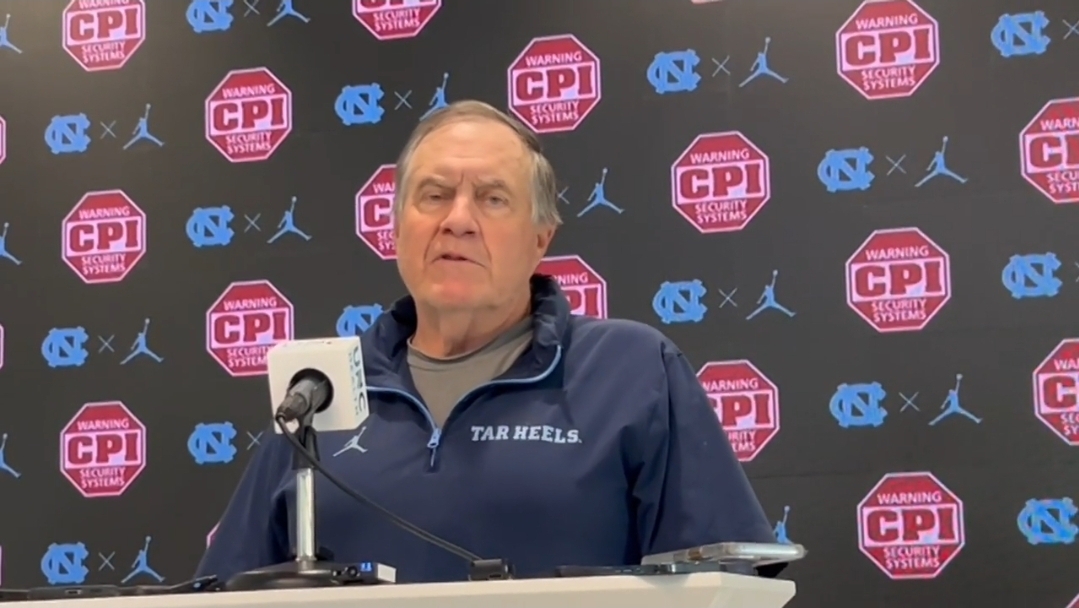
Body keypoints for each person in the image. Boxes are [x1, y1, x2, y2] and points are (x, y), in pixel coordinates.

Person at [196, 100, 777, 584]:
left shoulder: (633, 370)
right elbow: (224, 591)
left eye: (493, 198)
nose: (458, 219)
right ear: (395, 227)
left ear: (541, 238)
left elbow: (725, 581)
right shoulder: (318, 393)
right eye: (433, 195)